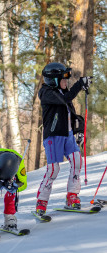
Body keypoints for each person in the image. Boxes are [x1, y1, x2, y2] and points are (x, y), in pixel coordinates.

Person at [36, 63, 90, 213]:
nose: (66, 82)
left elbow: (70, 115)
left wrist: (78, 130)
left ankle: (72, 196)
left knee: (77, 161)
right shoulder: (46, 92)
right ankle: (42, 201)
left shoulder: (61, 92)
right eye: (63, 79)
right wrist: (80, 84)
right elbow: (65, 98)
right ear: (53, 80)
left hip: (68, 135)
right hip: (54, 136)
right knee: (53, 169)